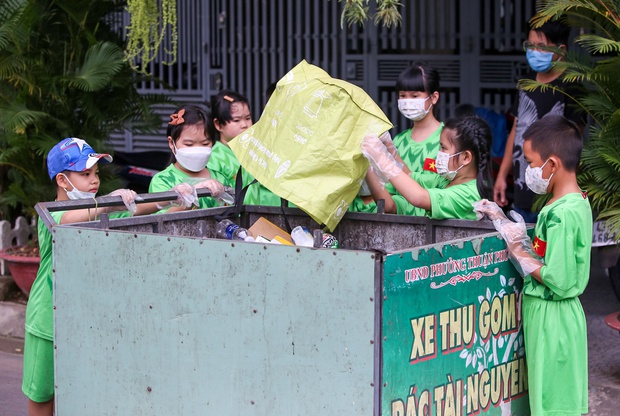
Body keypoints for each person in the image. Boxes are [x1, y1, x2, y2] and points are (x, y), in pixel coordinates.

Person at [474, 115, 590, 415]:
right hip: (548, 315)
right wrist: (504, 222)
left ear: (551, 164)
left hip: (554, 317)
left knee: (553, 399)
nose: (527, 171)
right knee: (546, 393)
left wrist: (517, 251)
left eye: (530, 162)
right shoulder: (567, 203)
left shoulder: (562, 214)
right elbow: (547, 252)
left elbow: (560, 279)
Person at [22, 138, 145, 416]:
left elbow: (143, 210)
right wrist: (107, 204)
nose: (94, 181)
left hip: (82, 319)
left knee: (80, 390)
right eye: (85, 174)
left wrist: (180, 198)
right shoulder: (51, 213)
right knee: (42, 395)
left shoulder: (95, 210)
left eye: (96, 174)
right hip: (47, 320)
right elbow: (66, 221)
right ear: (63, 181)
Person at [494, 19, 584, 223]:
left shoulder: (571, 87)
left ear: (561, 49)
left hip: (552, 194)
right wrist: (502, 175)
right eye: (531, 45)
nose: (534, 51)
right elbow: (515, 131)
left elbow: (574, 144)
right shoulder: (526, 82)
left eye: (541, 47)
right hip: (522, 190)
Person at [350, 63, 444, 213]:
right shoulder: (398, 141)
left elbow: (443, 187)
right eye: (402, 96)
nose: (408, 101)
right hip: (398, 216)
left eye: (414, 96)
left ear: (433, 97)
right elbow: (387, 188)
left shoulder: (447, 141)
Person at [362, 116, 493, 220]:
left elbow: (419, 197)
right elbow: (408, 176)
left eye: (443, 148)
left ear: (466, 157)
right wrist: (389, 149)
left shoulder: (470, 194)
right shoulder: (446, 180)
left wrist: (382, 159)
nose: (439, 153)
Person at [149, 105, 226, 212]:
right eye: (189, 144)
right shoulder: (162, 180)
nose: (197, 151)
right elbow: (163, 221)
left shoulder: (220, 178)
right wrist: (193, 192)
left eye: (205, 144)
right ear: (172, 143)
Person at [207, 90, 254, 189]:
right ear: (218, 124)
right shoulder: (213, 158)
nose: (245, 125)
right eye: (236, 120)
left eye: (248, 118)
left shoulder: (253, 152)